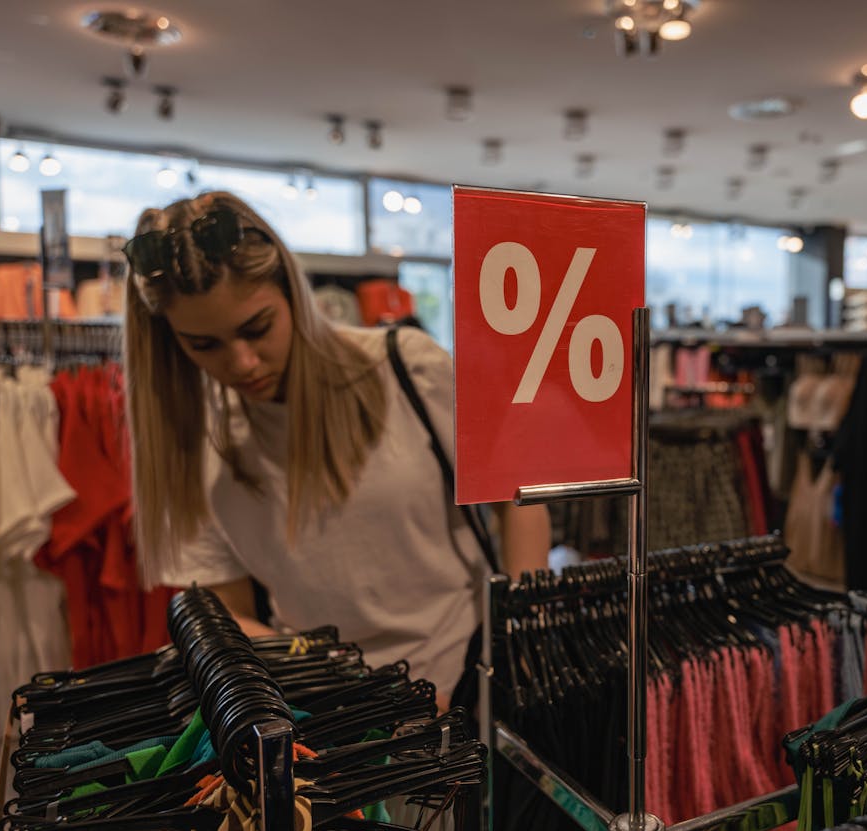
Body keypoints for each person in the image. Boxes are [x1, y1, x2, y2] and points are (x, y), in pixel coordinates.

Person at [123, 190, 550, 702]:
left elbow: (519, 500)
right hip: (324, 710)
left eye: (257, 329)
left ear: (293, 297)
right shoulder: (201, 444)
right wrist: (339, 688)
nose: (242, 363)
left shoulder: (407, 369)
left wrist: (524, 633)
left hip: (471, 677)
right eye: (204, 345)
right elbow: (234, 611)